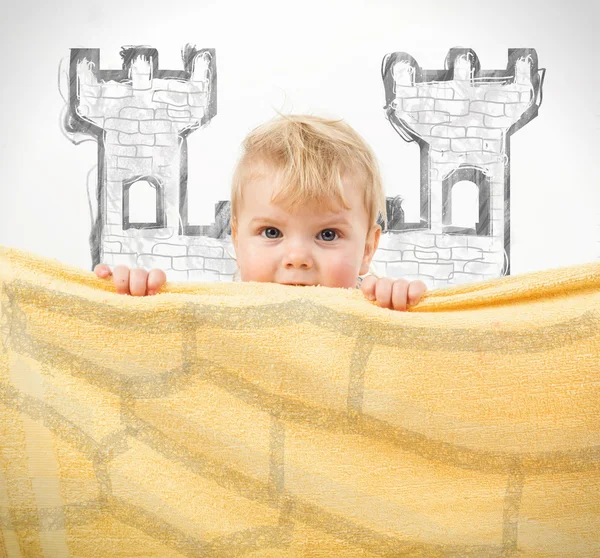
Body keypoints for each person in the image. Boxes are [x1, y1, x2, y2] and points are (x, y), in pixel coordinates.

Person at [95, 114, 427, 311]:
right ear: (237, 240)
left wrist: (398, 319)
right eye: (271, 232)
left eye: (328, 234)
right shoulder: (212, 319)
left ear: (368, 248)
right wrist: (136, 310)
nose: (297, 258)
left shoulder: (378, 315)